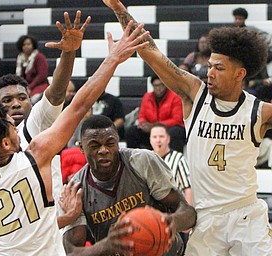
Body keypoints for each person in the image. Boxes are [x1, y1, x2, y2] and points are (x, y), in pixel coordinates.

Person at [0, 19, 150, 255]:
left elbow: (24, 233)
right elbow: (80, 104)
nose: (16, 127)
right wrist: (113, 59)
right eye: (10, 128)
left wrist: (65, 219)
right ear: (5, 143)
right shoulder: (35, 157)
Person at [103, 0, 272, 254]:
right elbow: (152, 52)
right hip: (205, 216)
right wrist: (118, 8)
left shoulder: (260, 111)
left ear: (240, 74)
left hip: (246, 216)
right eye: (209, 66)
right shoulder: (195, 94)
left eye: (219, 68)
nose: (209, 72)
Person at [0, 11, 91, 254]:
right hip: (10, 241)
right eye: (7, 100)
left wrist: (68, 52)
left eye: (21, 98)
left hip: (49, 232)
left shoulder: (35, 124)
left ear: (30, 101)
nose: (15, 104)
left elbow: (57, 92)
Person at [61, 115, 196, 256]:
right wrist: (108, 245)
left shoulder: (142, 161)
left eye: (110, 143)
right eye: (94, 146)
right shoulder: (75, 190)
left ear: (118, 142)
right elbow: (72, 253)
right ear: (82, 148)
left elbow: (189, 213)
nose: (103, 150)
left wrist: (171, 223)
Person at [150, 122, 192, 253]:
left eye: (161, 136)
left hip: (175, 214)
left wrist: (187, 218)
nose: (158, 140)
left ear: (168, 139)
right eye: (155, 137)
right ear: (150, 139)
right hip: (153, 216)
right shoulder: (147, 159)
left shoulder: (178, 159)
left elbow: (188, 188)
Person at [125, 74, 185, 152]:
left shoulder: (175, 97)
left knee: (176, 132)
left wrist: (155, 126)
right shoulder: (147, 96)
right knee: (132, 131)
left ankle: (173, 159)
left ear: (166, 85)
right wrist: (143, 124)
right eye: (155, 86)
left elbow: (177, 120)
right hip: (151, 129)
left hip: (168, 129)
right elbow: (142, 115)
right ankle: (134, 159)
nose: (158, 88)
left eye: (160, 85)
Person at [15, 35, 49, 104]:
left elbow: (42, 76)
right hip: (25, 87)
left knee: (33, 99)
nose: (26, 46)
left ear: (33, 45)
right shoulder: (20, 58)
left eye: (28, 44)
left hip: (39, 86)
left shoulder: (39, 57)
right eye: (24, 45)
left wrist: (29, 87)